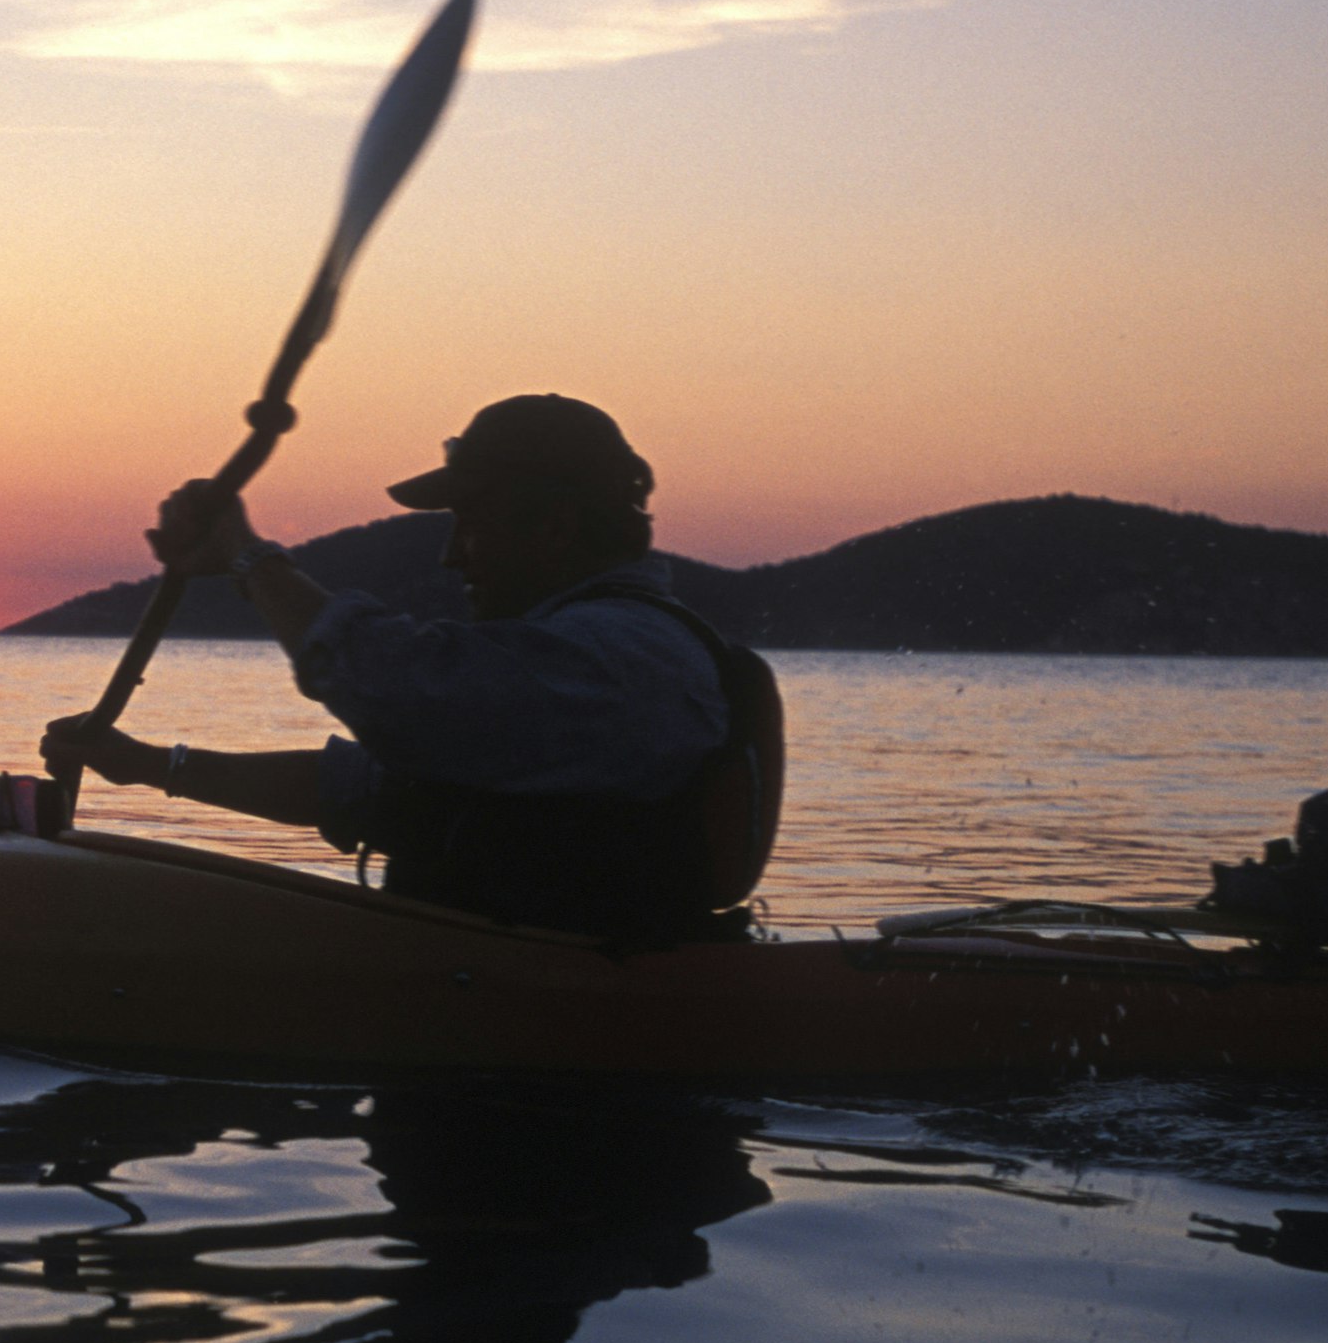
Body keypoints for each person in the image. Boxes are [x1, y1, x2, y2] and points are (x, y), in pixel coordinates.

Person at [39, 393, 781, 941]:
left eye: (472, 523)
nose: (452, 554)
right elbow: (368, 790)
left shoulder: (619, 657)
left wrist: (250, 555)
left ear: (554, 526)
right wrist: (145, 765)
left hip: (572, 1078)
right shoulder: (563, 663)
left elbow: (391, 685)